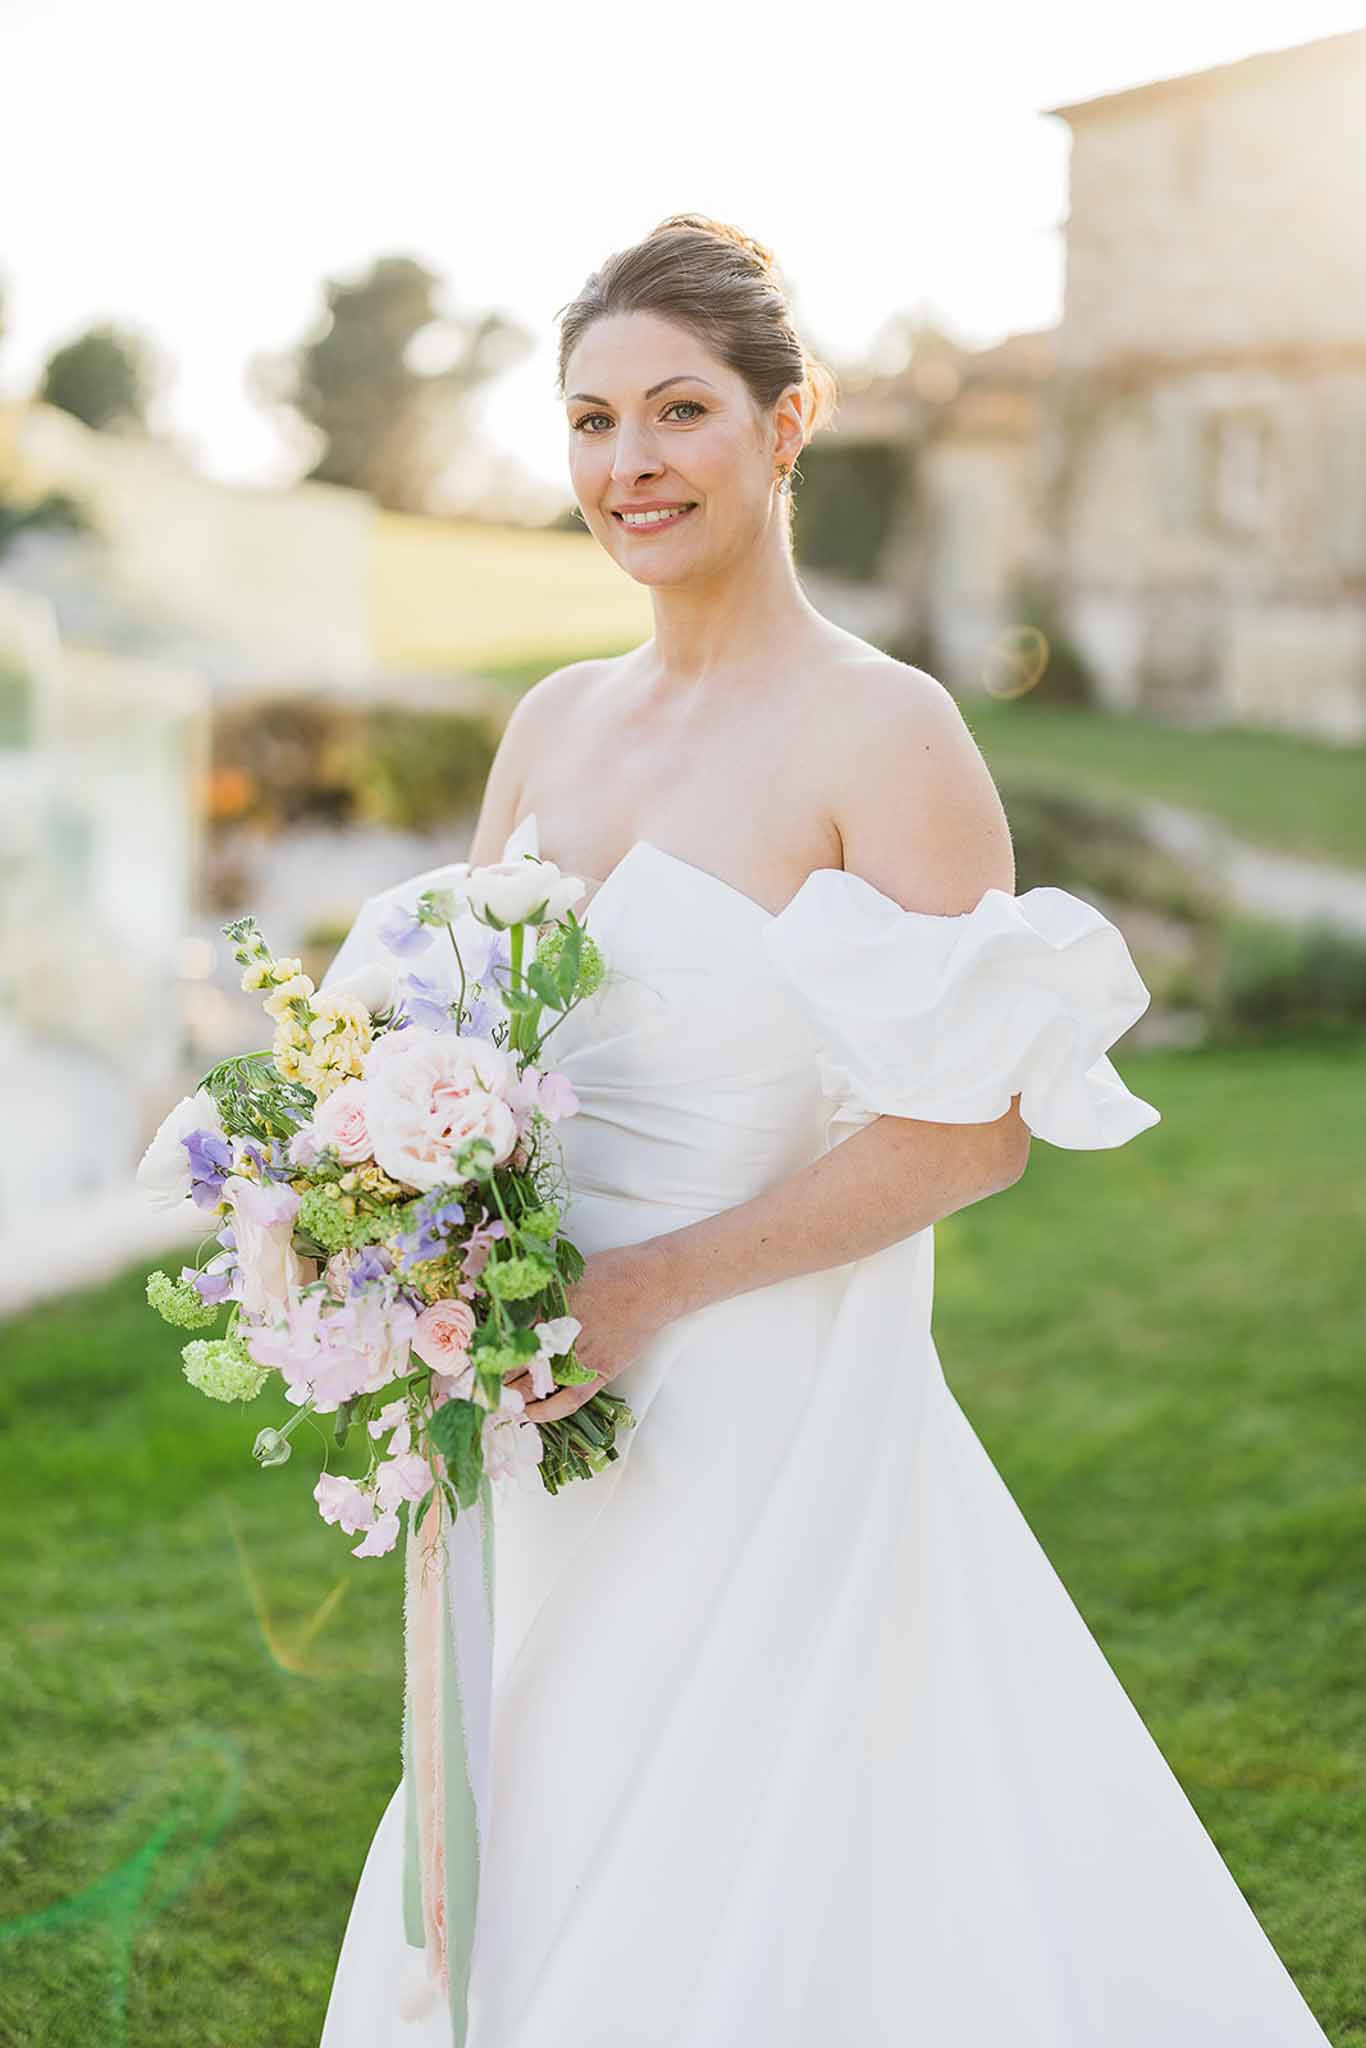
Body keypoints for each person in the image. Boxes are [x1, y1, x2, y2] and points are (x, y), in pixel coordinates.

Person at [318, 215, 1332, 2045]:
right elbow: (456, 1042)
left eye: (680, 411)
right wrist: (400, 1242)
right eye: (591, 420)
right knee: (531, 1809)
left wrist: (645, 1293)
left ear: (789, 425)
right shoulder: (547, 721)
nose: (629, 465)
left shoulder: (889, 730)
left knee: (751, 1853)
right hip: (541, 1392)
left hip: (764, 1403)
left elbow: (969, 1136)